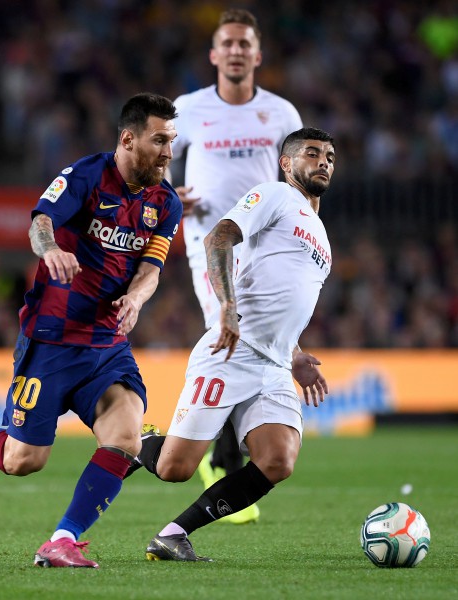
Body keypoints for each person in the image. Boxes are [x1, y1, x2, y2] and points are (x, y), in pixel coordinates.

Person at [0, 93, 183, 569]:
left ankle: (63, 539)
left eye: (172, 141)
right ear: (128, 139)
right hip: (53, 339)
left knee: (126, 438)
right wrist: (50, 250)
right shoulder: (85, 176)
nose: (168, 152)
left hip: (108, 345)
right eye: (159, 140)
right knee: (23, 460)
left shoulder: (165, 203)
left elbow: (152, 269)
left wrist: (137, 299)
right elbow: (41, 222)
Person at [134, 127, 334, 562]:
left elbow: (282, 299)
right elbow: (218, 237)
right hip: (232, 351)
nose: (323, 161)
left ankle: (173, 535)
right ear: (286, 163)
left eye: (330, 157)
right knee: (174, 468)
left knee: (278, 460)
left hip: (275, 365)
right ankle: (137, 441)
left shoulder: (321, 236)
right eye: (312, 153)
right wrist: (226, 306)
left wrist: (295, 354)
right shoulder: (276, 196)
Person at [168, 8, 302, 524]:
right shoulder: (189, 109)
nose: (236, 51)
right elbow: (158, 160)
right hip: (210, 242)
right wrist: (167, 194)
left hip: (265, 244)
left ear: (258, 54)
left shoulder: (281, 114)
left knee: (251, 337)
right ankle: (221, 459)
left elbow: (297, 178)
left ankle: (230, 441)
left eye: (245, 43)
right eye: (228, 43)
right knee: (226, 330)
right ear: (214, 54)